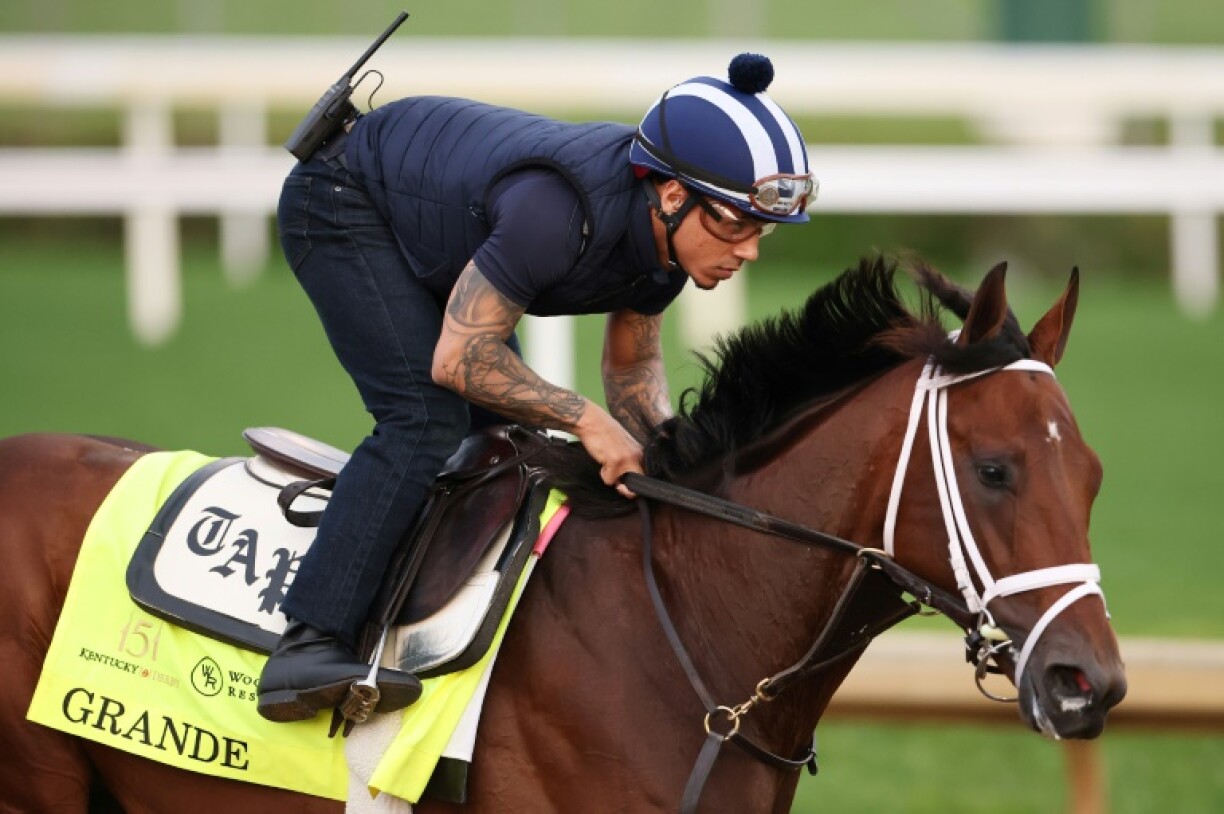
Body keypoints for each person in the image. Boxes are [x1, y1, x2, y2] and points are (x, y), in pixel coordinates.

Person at [257, 52, 816, 723]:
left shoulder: (667, 246)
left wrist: (676, 461)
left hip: (436, 224)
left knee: (501, 440)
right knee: (425, 420)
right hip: (344, 200)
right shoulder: (559, 213)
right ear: (672, 196)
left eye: (763, 233)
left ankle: (425, 631)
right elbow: (460, 359)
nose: (749, 250)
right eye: (737, 225)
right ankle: (309, 643)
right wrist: (584, 420)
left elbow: (632, 374)